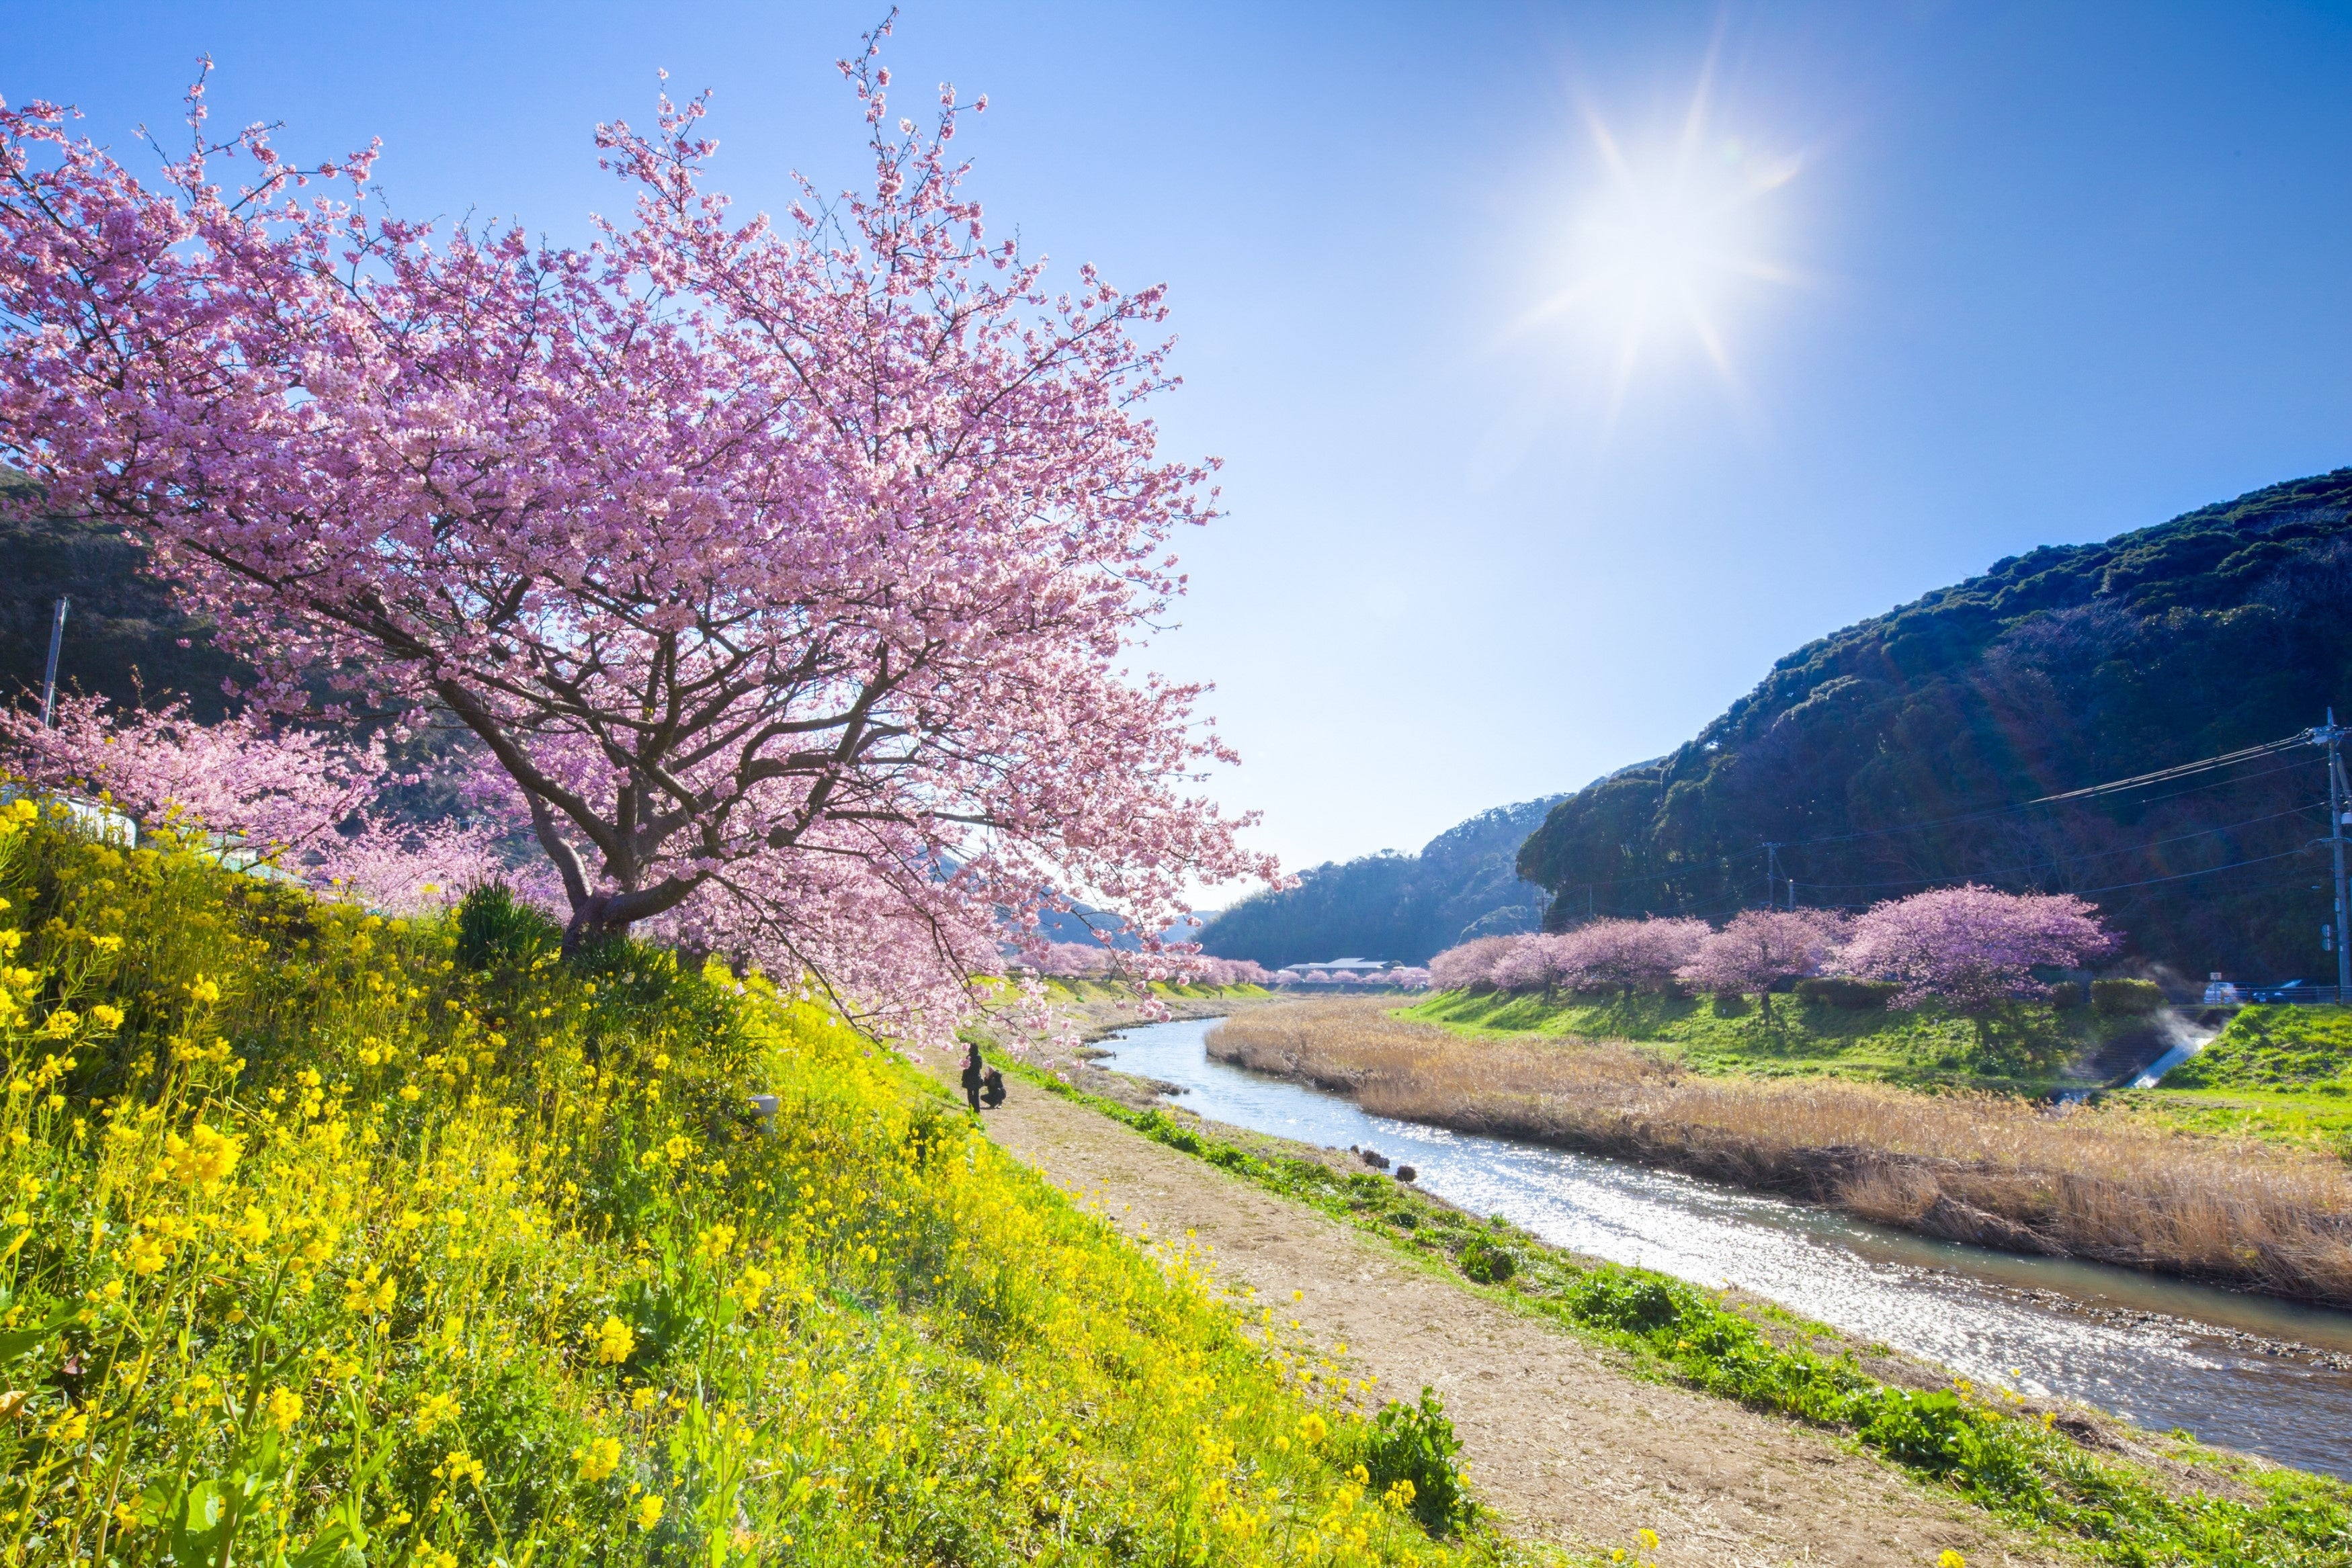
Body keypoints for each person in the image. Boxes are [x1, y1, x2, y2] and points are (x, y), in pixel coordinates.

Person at [960, 1042, 985, 1113]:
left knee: (970, 1094)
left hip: (969, 1077)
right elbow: (981, 1067)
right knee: (976, 1094)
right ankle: (977, 1110)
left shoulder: (969, 1057)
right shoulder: (979, 1057)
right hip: (977, 1077)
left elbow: (966, 1068)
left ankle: (972, 1108)